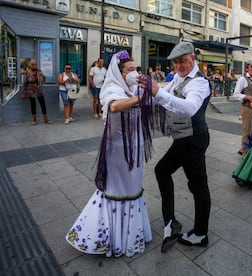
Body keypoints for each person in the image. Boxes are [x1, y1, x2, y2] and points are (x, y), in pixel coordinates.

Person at [65, 50, 154, 257]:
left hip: (135, 147)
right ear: (120, 72)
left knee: (134, 187)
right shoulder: (112, 88)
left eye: (136, 69)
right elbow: (114, 106)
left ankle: (131, 234)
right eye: (130, 70)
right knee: (119, 189)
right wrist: (141, 98)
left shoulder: (132, 88)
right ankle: (113, 237)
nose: (135, 73)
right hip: (118, 151)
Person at [144, 41, 211, 252]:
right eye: (175, 62)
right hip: (183, 138)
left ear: (193, 58)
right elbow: (164, 98)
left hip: (193, 139)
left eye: (182, 61)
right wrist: (140, 98)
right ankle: (171, 221)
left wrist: (158, 93)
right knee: (163, 171)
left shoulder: (199, 82)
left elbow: (190, 108)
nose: (179, 66)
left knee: (198, 185)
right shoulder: (179, 79)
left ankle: (200, 234)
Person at [233, 60, 252, 156]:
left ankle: (245, 149)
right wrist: (247, 97)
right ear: (247, 68)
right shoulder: (243, 79)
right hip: (247, 109)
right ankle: (245, 152)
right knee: (247, 131)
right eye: (251, 67)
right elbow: (235, 94)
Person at [21, 59, 52, 124]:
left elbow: (44, 80)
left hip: (39, 90)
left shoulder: (39, 71)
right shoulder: (27, 73)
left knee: (43, 104)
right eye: (33, 64)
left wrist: (42, 76)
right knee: (33, 104)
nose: (34, 66)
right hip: (31, 90)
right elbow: (24, 84)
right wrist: (24, 93)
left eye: (35, 64)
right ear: (30, 65)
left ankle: (46, 120)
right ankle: (34, 120)